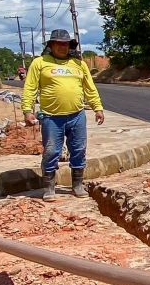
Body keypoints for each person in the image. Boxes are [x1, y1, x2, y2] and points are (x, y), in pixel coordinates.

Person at [21, 28, 105, 200]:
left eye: (65, 44)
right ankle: (49, 188)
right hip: (51, 117)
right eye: (58, 43)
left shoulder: (79, 64)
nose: (62, 47)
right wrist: (27, 110)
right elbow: (30, 88)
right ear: (51, 45)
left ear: (70, 46)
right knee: (51, 152)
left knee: (79, 150)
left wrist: (98, 108)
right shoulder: (40, 63)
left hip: (77, 116)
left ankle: (77, 185)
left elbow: (89, 88)